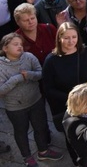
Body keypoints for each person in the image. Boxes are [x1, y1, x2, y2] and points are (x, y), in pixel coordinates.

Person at [0, 32, 63, 167]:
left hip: (35, 100)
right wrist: (17, 78)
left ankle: (43, 151)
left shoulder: (29, 57)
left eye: (21, 44)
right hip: (15, 108)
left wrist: (29, 75)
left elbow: (41, 74)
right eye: (15, 44)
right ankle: (27, 157)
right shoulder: (1, 67)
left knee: (40, 127)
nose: (20, 47)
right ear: (5, 48)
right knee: (21, 131)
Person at [42, 23, 87, 131]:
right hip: (67, 108)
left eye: (74, 37)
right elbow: (48, 89)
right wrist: (72, 97)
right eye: (66, 38)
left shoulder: (85, 51)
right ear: (59, 38)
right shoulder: (51, 60)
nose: (71, 41)